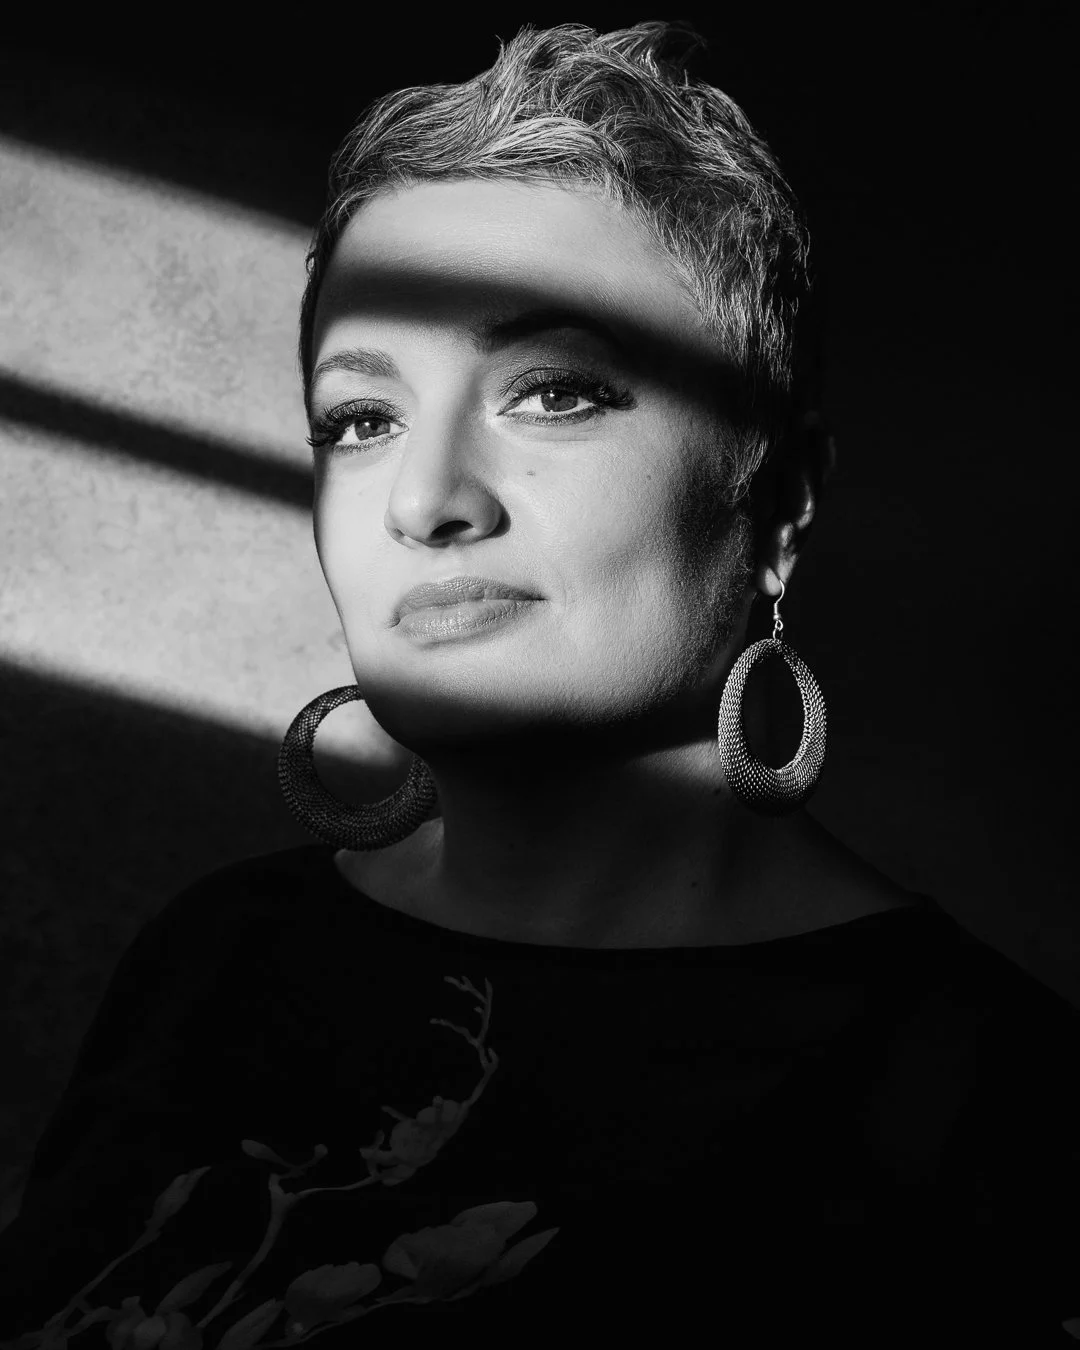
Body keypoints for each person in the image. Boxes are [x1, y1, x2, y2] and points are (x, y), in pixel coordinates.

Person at [1, 21, 1077, 1349]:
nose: (429, 499)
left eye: (554, 391)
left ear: (779, 501)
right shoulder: (215, 957)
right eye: (362, 416)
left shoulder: (987, 1101)